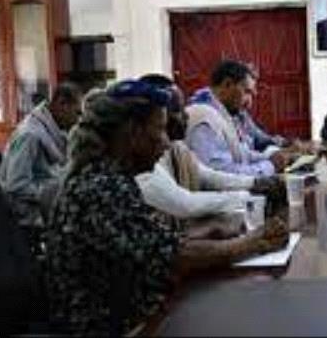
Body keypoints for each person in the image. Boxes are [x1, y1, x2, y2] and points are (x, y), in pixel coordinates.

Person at [47, 80, 288, 335]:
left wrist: (203, 234)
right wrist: (251, 243)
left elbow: (147, 244)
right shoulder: (102, 188)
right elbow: (174, 258)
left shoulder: (107, 177)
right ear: (133, 133)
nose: (164, 142)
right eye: (160, 129)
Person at [136, 74, 283, 219]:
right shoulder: (142, 162)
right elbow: (185, 204)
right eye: (178, 110)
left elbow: (205, 174)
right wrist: (247, 195)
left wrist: (255, 183)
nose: (186, 115)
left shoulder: (177, 147)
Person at [0, 82, 82, 235]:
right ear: (62, 104)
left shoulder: (53, 130)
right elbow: (15, 185)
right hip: (29, 218)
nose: (78, 120)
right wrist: (52, 194)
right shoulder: (30, 135)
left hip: (47, 209)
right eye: (77, 112)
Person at [186, 60, 289, 176]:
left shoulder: (226, 112)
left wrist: (273, 158)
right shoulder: (204, 119)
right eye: (246, 92)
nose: (249, 104)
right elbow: (221, 174)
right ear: (227, 84)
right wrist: (270, 166)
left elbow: (241, 155)